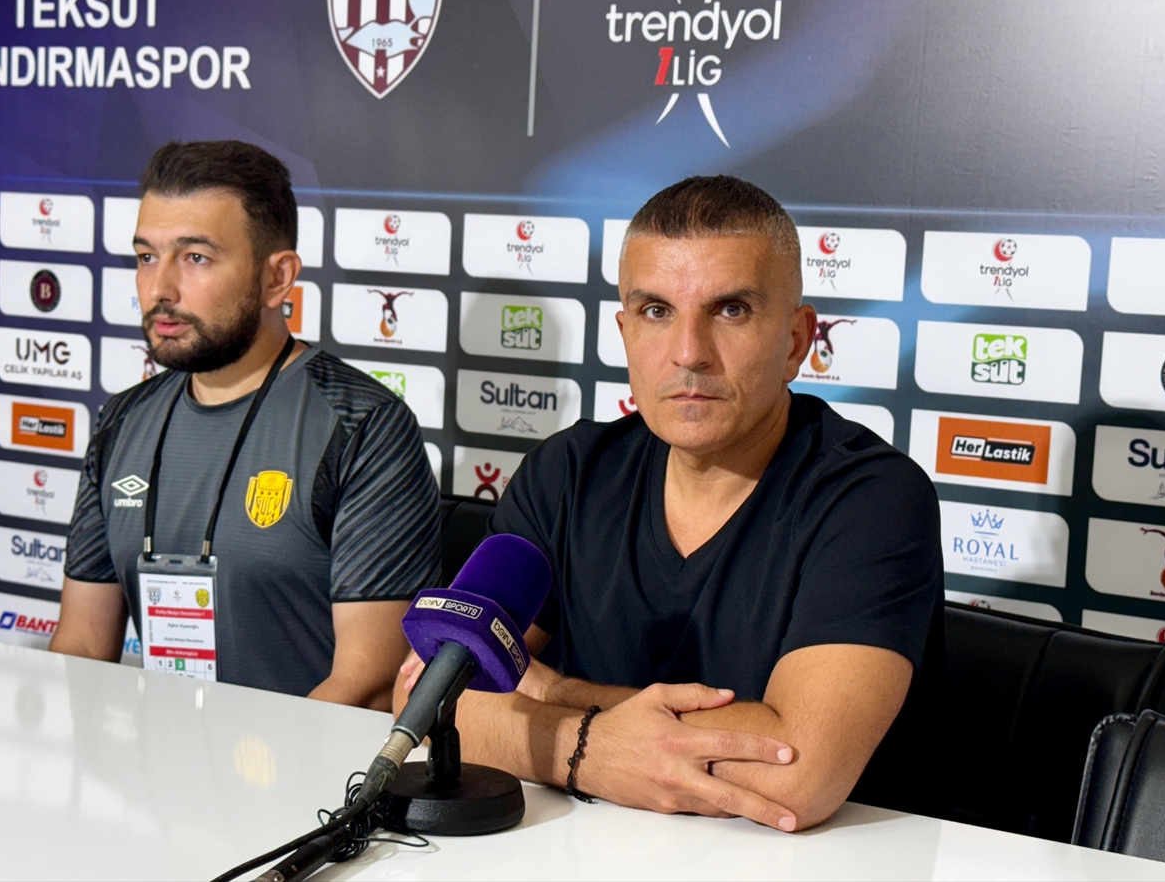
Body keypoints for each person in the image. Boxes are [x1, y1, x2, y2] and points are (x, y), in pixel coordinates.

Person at [396, 176, 944, 831]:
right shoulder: (568, 472)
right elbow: (426, 695)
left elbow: (797, 773)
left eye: (731, 310)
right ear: (625, 331)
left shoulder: (871, 499)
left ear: (797, 341)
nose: (689, 353)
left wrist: (558, 695)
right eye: (656, 311)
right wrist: (595, 749)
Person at [51, 140, 440, 708]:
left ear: (277, 278)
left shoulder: (364, 427)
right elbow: (82, 646)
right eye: (146, 256)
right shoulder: (121, 421)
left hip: (308, 763)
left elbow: (369, 683)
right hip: (156, 754)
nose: (159, 289)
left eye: (195, 258)